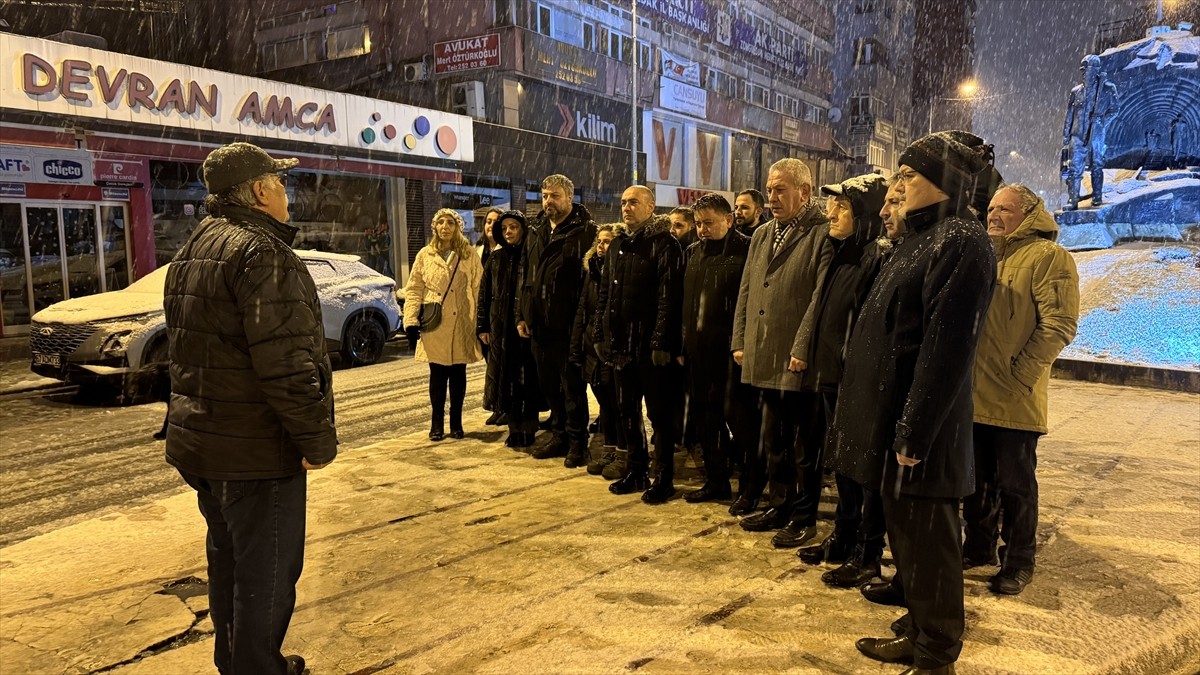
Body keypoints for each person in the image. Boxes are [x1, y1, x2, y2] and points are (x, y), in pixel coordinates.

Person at [163, 142, 336, 675]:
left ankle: (236, 661)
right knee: (266, 573)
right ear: (261, 191)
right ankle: (258, 668)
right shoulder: (261, 253)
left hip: (206, 443)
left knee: (231, 564)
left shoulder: (198, 244)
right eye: (280, 184)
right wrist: (315, 440)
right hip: (256, 451)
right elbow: (286, 363)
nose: (287, 193)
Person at [830, 131, 997, 675]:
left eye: (908, 177)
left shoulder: (963, 242)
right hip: (896, 424)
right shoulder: (922, 238)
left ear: (943, 184)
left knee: (931, 545)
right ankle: (921, 626)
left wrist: (913, 434)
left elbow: (945, 350)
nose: (897, 187)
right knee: (910, 540)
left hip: (922, 433)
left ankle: (935, 652)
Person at [963, 184, 1080, 595]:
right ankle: (978, 547)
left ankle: (1018, 559)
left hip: (1015, 398)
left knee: (1016, 484)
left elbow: (1059, 325)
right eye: (991, 208)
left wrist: (1019, 376)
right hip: (973, 393)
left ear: (1029, 214)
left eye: (1005, 209)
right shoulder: (983, 253)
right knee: (974, 480)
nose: (994, 216)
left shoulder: (1049, 258)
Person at [730, 158, 832, 548]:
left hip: (796, 358)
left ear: (804, 192)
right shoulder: (762, 234)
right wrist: (740, 339)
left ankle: (805, 516)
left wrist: (801, 346)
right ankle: (780, 504)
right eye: (769, 190)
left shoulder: (821, 233)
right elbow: (747, 291)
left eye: (780, 190)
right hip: (763, 350)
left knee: (805, 445)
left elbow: (819, 297)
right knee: (773, 438)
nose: (771, 197)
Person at [798, 173, 889, 589]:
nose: (831, 213)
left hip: (858, 383)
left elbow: (869, 327)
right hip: (834, 377)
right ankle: (843, 536)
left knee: (865, 471)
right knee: (845, 466)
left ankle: (867, 553)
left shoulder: (874, 256)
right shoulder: (842, 251)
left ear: (864, 214)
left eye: (843, 207)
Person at [595, 185, 685, 503]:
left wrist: (661, 341)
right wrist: (599, 334)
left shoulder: (665, 244)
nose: (626, 207)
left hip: (650, 348)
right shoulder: (618, 243)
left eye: (633, 202)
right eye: (623, 202)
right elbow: (605, 294)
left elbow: (668, 298)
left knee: (659, 415)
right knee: (626, 411)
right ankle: (637, 470)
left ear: (650, 207)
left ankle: (664, 477)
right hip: (621, 346)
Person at [518, 174, 596, 466]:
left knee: (572, 387)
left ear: (570, 198)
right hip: (539, 324)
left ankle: (578, 442)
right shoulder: (536, 229)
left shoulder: (585, 232)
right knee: (550, 385)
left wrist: (582, 323)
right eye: (545, 195)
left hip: (567, 324)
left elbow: (587, 282)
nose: (548, 201)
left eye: (555, 196)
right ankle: (559, 434)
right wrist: (522, 315)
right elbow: (526, 276)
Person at [678, 193, 752, 504]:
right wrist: (683, 344)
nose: (702, 229)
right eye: (698, 224)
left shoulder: (747, 250)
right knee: (706, 421)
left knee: (742, 424)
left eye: (709, 223)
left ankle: (750, 487)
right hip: (698, 354)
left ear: (729, 220)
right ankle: (716, 480)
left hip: (731, 355)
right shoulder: (693, 252)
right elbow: (687, 303)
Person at [403, 209, 484, 441]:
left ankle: (456, 422)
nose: (445, 226)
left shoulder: (469, 254)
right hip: (435, 322)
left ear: (458, 227)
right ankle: (436, 422)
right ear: (435, 227)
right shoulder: (425, 255)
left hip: (463, 321)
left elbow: (479, 289)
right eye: (441, 222)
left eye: (450, 222)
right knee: (437, 376)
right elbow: (414, 289)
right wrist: (410, 321)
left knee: (458, 374)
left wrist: (482, 323)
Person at [477, 211, 545, 449]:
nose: (508, 232)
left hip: (525, 328)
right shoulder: (496, 259)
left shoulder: (531, 256)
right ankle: (514, 426)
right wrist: (482, 326)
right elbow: (484, 295)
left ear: (522, 229)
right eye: (504, 229)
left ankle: (528, 426)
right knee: (508, 381)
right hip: (502, 328)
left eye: (513, 227)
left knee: (527, 380)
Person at [569, 223, 628, 477]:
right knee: (605, 402)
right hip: (593, 346)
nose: (603, 247)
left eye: (609, 242)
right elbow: (583, 310)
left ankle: (625, 453)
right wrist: (576, 345)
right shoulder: (592, 271)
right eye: (600, 241)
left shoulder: (620, 271)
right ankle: (610, 448)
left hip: (612, 347)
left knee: (619, 405)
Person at [478, 206, 505, 425]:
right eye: (488, 221)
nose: (491, 225)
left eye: (496, 221)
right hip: (484, 315)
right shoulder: (477, 251)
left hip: (499, 317)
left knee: (501, 365)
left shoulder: (505, 252)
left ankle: (503, 406)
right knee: (491, 364)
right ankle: (497, 405)